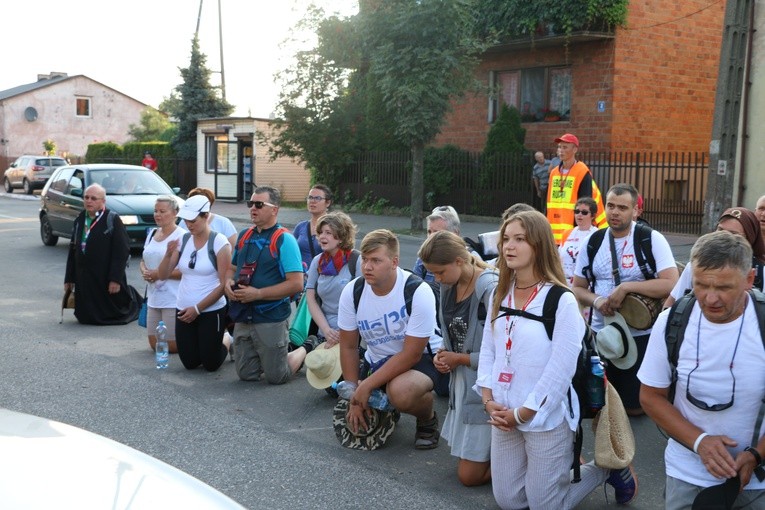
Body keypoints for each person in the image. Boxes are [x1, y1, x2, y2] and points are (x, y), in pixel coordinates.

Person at [476, 210, 636, 508]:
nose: (509, 246)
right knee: (509, 500)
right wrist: (488, 398)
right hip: (503, 411)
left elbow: (561, 368)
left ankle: (605, 469)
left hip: (546, 417)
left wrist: (525, 412)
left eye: (519, 239)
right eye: (506, 239)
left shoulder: (561, 299)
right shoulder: (500, 294)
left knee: (544, 506)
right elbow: (489, 350)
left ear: (539, 245)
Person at [638, 230, 765, 509]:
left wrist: (757, 454)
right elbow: (650, 396)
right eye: (701, 285)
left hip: (756, 482)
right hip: (686, 475)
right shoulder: (671, 322)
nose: (710, 299)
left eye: (723, 288)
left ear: (749, 279)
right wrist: (700, 442)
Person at [572, 183, 678, 416]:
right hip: (603, 336)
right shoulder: (592, 242)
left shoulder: (650, 239)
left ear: (636, 211)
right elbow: (577, 288)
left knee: (634, 408)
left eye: (622, 207)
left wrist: (626, 287)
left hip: (640, 336)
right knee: (600, 407)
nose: (615, 212)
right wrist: (597, 301)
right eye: (610, 206)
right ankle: (607, 450)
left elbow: (671, 283)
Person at [337, 229, 441, 450]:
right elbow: (348, 346)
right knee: (357, 411)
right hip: (377, 361)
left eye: (376, 260)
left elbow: (411, 353)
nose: (367, 266)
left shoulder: (417, 290)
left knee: (401, 393)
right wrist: (353, 394)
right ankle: (386, 406)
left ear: (394, 262)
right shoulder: (352, 291)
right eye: (365, 259)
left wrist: (366, 387)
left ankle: (427, 417)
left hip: (420, 360)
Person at [419, 230, 497, 486]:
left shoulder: (489, 287)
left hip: (486, 388)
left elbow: (502, 353)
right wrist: (443, 353)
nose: (437, 279)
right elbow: (452, 333)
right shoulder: (448, 286)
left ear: (460, 261)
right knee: (467, 468)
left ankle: (525, 465)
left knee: (468, 476)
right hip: (462, 384)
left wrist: (459, 359)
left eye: (440, 272)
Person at [224, 186, 313, 383]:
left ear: (275, 209)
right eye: (250, 204)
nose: (252, 208)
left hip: (270, 317)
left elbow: (297, 284)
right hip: (243, 315)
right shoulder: (245, 235)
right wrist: (227, 283)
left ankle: (304, 349)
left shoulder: (284, 239)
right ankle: (268, 356)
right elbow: (231, 268)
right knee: (246, 375)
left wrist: (257, 294)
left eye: (259, 204)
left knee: (276, 377)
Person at [156, 195, 231, 372]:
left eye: (193, 220)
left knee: (210, 365)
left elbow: (224, 284)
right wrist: (167, 255)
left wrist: (197, 309)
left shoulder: (219, 242)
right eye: (185, 220)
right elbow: (163, 274)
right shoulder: (184, 239)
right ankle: (209, 342)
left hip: (210, 310)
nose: (188, 225)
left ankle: (227, 339)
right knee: (190, 363)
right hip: (183, 309)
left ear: (206, 216)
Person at [64, 184, 142, 325]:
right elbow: (73, 250)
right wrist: (69, 278)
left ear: (103, 201)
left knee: (110, 313)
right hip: (84, 276)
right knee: (85, 316)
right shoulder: (81, 218)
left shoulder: (112, 219)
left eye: (94, 198)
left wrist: (115, 279)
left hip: (104, 275)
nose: (89, 201)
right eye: (86, 197)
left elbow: (121, 251)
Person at [665, 207, 765, 308]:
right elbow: (672, 302)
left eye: (733, 234)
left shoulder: (762, 272)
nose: (723, 237)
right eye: (720, 230)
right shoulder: (695, 265)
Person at [305, 211, 362, 349]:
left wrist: (344, 332)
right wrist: (325, 329)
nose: (322, 237)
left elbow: (364, 301)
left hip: (351, 334)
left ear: (341, 237)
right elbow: (311, 299)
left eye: (328, 233)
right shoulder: (317, 261)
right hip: (324, 332)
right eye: (321, 232)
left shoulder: (357, 260)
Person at [140, 196, 186, 353]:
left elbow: (185, 271)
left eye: (162, 211)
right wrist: (145, 272)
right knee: (155, 345)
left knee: (172, 346)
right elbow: (143, 260)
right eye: (155, 211)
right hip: (153, 297)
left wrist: (158, 274)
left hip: (173, 298)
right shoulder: (152, 233)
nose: (157, 215)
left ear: (175, 213)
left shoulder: (182, 236)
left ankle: (224, 338)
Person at [546, 133, 607, 244]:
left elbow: (585, 203)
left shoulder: (582, 172)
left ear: (575, 149)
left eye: (565, 147)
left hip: (574, 234)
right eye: (559, 147)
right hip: (553, 234)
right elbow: (549, 203)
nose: (560, 150)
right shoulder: (554, 172)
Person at [412, 206, 463, 282]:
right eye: (429, 232)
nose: (431, 237)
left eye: (437, 233)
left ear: (455, 234)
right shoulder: (423, 259)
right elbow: (413, 287)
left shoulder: (468, 260)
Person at [559, 197, 598, 285]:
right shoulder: (567, 233)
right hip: (565, 282)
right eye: (577, 211)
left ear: (592, 216)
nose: (579, 215)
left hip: (585, 284)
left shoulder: (597, 234)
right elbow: (558, 259)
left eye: (584, 212)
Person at [293, 184, 332, 271]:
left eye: (317, 198)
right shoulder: (300, 227)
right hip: (302, 278)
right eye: (310, 197)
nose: (312, 201)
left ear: (328, 202)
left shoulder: (334, 227)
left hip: (324, 277)